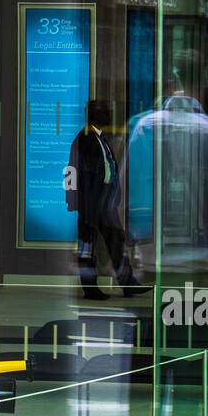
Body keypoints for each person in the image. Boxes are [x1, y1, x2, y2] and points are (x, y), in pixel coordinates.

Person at [65, 98, 136, 297]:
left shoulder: (99, 137)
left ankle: (128, 282)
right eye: (104, 113)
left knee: (115, 241)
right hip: (91, 201)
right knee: (87, 247)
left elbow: (107, 167)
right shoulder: (85, 138)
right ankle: (90, 288)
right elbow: (73, 171)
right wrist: (76, 202)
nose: (109, 117)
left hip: (103, 201)